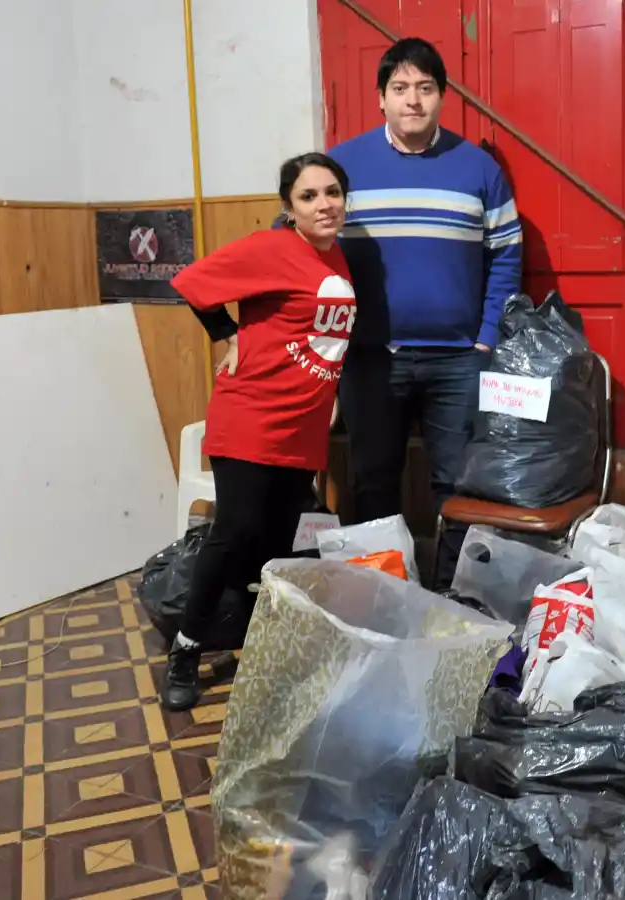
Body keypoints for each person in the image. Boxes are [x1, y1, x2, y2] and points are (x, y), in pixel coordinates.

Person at [160, 152, 356, 711]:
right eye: (310, 196)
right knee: (235, 531)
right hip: (252, 414)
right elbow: (193, 282)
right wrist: (227, 335)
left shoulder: (337, 257)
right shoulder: (273, 248)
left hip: (303, 425)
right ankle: (186, 647)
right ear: (289, 208)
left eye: (333, 193)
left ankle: (261, 642)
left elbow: (323, 337)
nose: (325, 204)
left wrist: (331, 391)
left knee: (277, 541)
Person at [328, 37, 523, 583]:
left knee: (457, 486)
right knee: (373, 481)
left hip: (459, 360)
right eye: (400, 88)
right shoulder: (343, 165)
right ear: (381, 99)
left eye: (425, 88)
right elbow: (298, 245)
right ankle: (380, 593)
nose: (413, 99)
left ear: (442, 97)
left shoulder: (478, 169)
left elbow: (507, 256)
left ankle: (450, 598)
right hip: (370, 357)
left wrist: (485, 339)